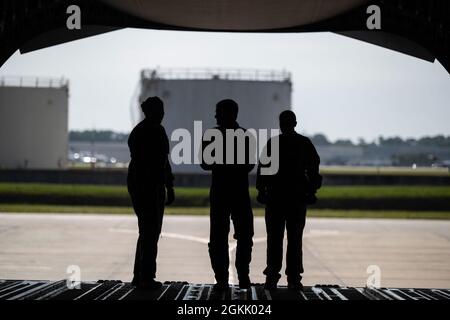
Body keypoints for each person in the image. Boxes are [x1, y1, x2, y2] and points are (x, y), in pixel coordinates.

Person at [256, 110, 322, 291]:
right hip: (296, 198)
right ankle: (293, 277)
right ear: (295, 123)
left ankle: (272, 276)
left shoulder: (273, 143)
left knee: (274, 239)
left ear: (281, 124)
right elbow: (314, 169)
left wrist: (261, 190)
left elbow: (263, 170)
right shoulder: (304, 143)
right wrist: (311, 190)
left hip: (276, 198)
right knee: (295, 239)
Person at [200, 99, 255, 291]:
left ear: (227, 114)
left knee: (218, 237)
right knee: (245, 235)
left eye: (218, 112)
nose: (215, 116)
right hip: (239, 191)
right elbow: (249, 165)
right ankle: (243, 276)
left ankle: (222, 278)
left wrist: (221, 163)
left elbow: (205, 163)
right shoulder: (245, 136)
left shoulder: (211, 135)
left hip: (221, 191)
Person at [127, 96, 175, 290]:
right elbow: (161, 162)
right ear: (152, 112)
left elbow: (163, 161)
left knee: (147, 231)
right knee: (150, 231)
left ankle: (140, 275)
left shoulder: (141, 131)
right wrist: (168, 186)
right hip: (147, 185)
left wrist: (167, 185)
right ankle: (145, 277)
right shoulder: (152, 131)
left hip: (145, 184)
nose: (162, 114)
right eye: (159, 110)